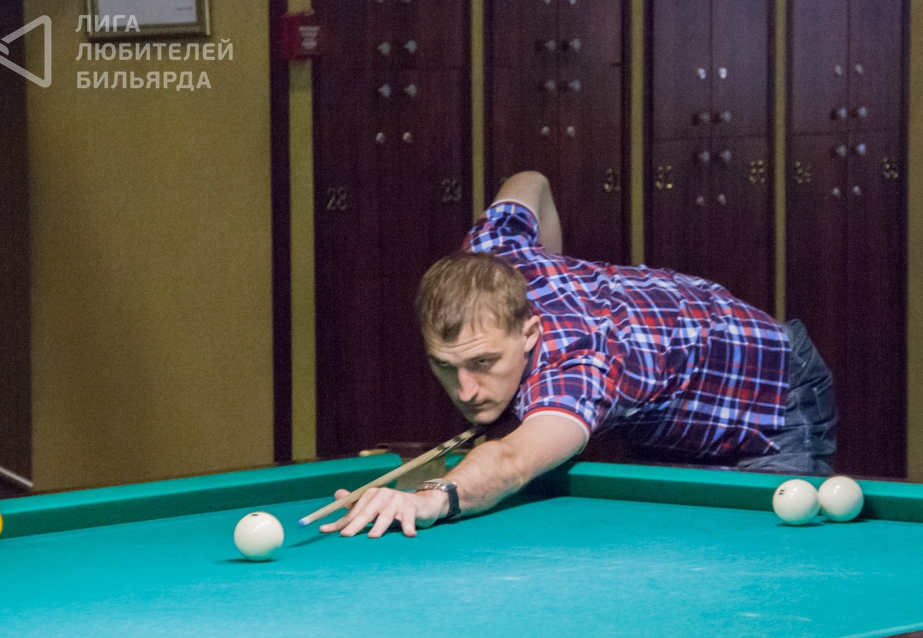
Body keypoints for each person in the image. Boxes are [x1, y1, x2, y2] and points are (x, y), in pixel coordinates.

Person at [320, 171, 837, 539]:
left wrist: (431, 497)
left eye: (483, 363)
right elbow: (530, 182)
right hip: (677, 390)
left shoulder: (578, 365)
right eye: (444, 365)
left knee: (761, 555)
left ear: (529, 331)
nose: (465, 391)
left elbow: (512, 461)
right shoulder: (494, 251)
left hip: (771, 393)